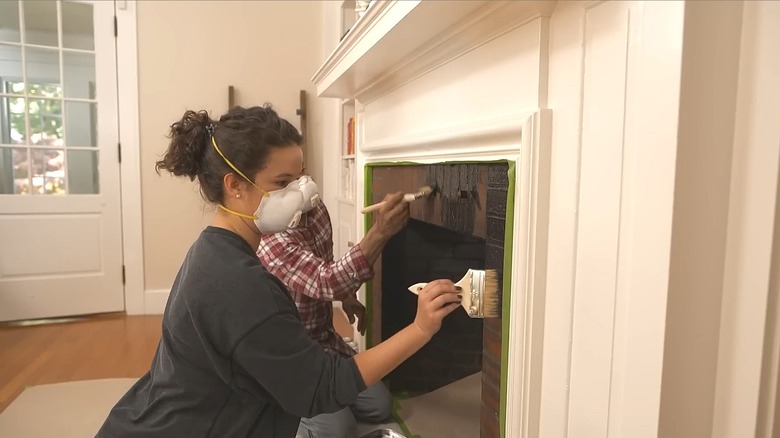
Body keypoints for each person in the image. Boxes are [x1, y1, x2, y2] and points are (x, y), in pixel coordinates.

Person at [96, 104, 462, 438]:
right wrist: (420, 329)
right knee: (336, 423)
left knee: (369, 403)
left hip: (181, 412)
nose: (302, 194)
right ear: (235, 186)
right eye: (283, 183)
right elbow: (322, 388)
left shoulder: (213, 249)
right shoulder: (239, 285)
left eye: (300, 177)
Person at [257, 176, 404, 437]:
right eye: (283, 179)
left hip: (325, 346)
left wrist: (346, 296)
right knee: (338, 431)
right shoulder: (272, 242)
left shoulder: (314, 210)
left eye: (300, 172)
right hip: (295, 361)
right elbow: (328, 280)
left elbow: (323, 264)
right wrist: (380, 231)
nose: (301, 184)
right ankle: (283, 408)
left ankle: (328, 400)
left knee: (380, 407)